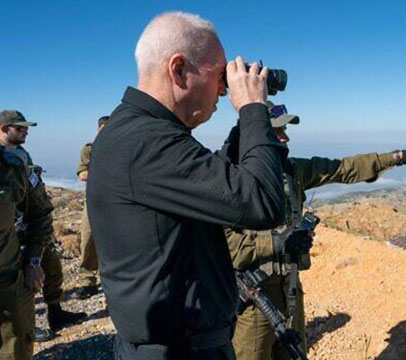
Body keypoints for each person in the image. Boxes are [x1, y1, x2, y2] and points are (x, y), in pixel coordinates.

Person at [87, 12, 291, 360]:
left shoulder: (141, 134)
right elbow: (262, 203)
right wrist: (253, 109)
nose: (224, 90)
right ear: (179, 70)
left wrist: (242, 131)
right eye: (219, 75)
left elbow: (215, 187)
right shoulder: (146, 143)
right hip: (178, 352)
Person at [228, 102, 406, 360]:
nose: (285, 138)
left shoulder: (291, 171)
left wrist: (400, 157)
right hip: (255, 299)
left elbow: (344, 168)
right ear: (254, 136)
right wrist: (278, 243)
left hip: (290, 290)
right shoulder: (232, 179)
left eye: (284, 130)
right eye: (277, 132)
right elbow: (228, 247)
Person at [0, 110, 85, 339]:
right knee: (20, 285)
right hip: (10, 234)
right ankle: (26, 326)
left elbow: (33, 194)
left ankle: (54, 313)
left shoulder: (20, 155)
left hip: (29, 226)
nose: (25, 131)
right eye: (20, 128)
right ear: (3, 128)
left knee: (50, 267)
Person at [0, 110, 54, 360]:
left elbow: (41, 213)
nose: (25, 132)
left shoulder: (15, 166)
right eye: (20, 128)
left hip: (8, 282)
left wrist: (33, 261)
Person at [73, 115, 109, 300]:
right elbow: (83, 174)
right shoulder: (90, 149)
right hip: (94, 201)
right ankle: (87, 281)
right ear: (99, 129)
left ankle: (111, 282)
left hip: (115, 203)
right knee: (87, 240)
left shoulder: (119, 148)